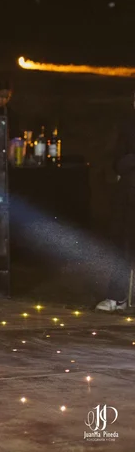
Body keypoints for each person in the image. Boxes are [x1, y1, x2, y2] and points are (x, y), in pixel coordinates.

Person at [97, 90, 135, 312]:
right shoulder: (127, 126)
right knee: (122, 245)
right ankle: (117, 297)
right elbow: (118, 162)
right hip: (129, 193)